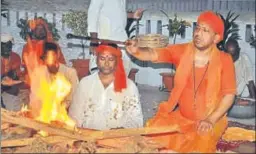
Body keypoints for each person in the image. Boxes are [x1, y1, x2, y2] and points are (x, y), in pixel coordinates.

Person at [126, 11, 236, 153]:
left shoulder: (224, 60)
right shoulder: (182, 51)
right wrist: (137, 51)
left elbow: (229, 95)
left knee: (199, 144)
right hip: (182, 118)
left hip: (210, 122)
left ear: (216, 38)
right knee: (153, 138)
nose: (198, 33)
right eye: (198, 28)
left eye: (205, 30)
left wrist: (211, 119)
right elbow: (155, 54)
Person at [69, 43, 143, 130]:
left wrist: (121, 130)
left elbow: (136, 120)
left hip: (117, 140)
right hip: (88, 139)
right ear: (96, 60)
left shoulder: (129, 86)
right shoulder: (85, 83)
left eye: (111, 59)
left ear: (117, 61)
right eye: (102, 58)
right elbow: (74, 116)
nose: (106, 63)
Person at [87, 0, 143, 75]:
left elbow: (116, 13)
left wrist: (132, 15)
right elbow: (93, 14)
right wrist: (94, 41)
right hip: (105, 40)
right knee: (103, 77)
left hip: (121, 40)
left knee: (121, 77)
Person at [22, 18, 66, 85]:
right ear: (34, 31)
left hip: (51, 81)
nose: (41, 31)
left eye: (42, 29)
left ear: (46, 31)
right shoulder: (27, 47)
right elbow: (25, 66)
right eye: (38, 29)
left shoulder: (54, 45)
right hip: (32, 82)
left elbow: (62, 64)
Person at [40, 42, 79, 109]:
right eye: (46, 57)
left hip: (67, 112)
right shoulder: (41, 73)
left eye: (51, 56)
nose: (49, 60)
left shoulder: (70, 73)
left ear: (57, 55)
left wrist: (59, 110)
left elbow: (74, 99)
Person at [1, 33, 23, 111]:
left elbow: (18, 74)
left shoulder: (16, 57)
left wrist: (18, 79)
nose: (5, 48)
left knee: (15, 108)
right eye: (3, 45)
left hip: (10, 89)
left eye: (8, 45)